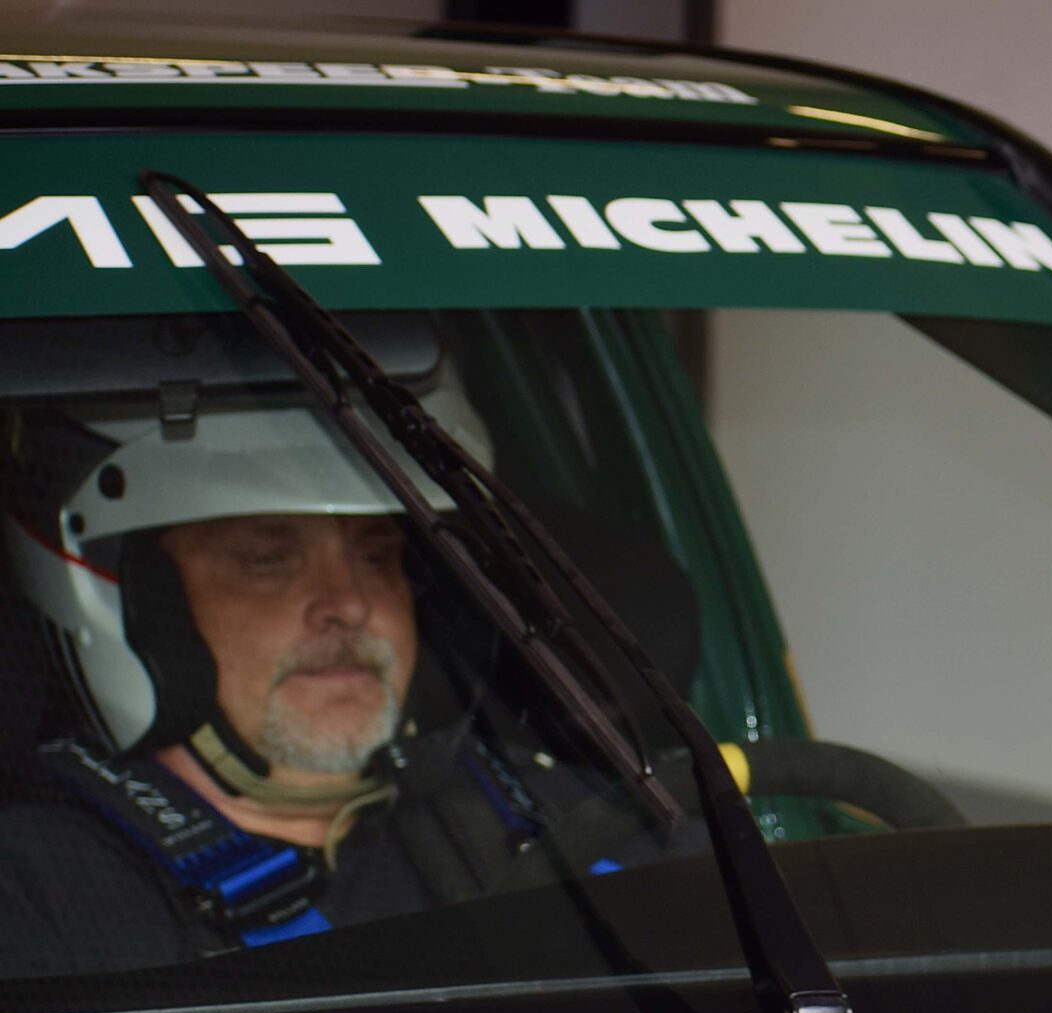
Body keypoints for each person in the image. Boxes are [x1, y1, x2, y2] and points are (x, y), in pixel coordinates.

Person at [0, 384, 685, 975]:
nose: (350, 603)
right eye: (268, 558)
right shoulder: (42, 895)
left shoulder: (582, 826)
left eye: (376, 555)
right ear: (136, 602)